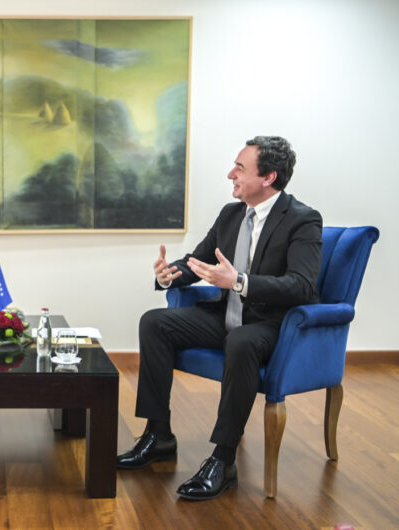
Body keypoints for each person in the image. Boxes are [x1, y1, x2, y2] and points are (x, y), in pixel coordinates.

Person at [117, 136, 322, 500]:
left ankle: (223, 459)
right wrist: (169, 275)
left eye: (240, 168)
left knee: (241, 341)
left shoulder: (302, 220)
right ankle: (158, 435)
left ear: (269, 177)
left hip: (269, 326)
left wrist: (240, 282)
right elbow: (197, 263)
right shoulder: (231, 214)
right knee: (154, 322)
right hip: (226, 316)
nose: (231, 174)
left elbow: (302, 286)